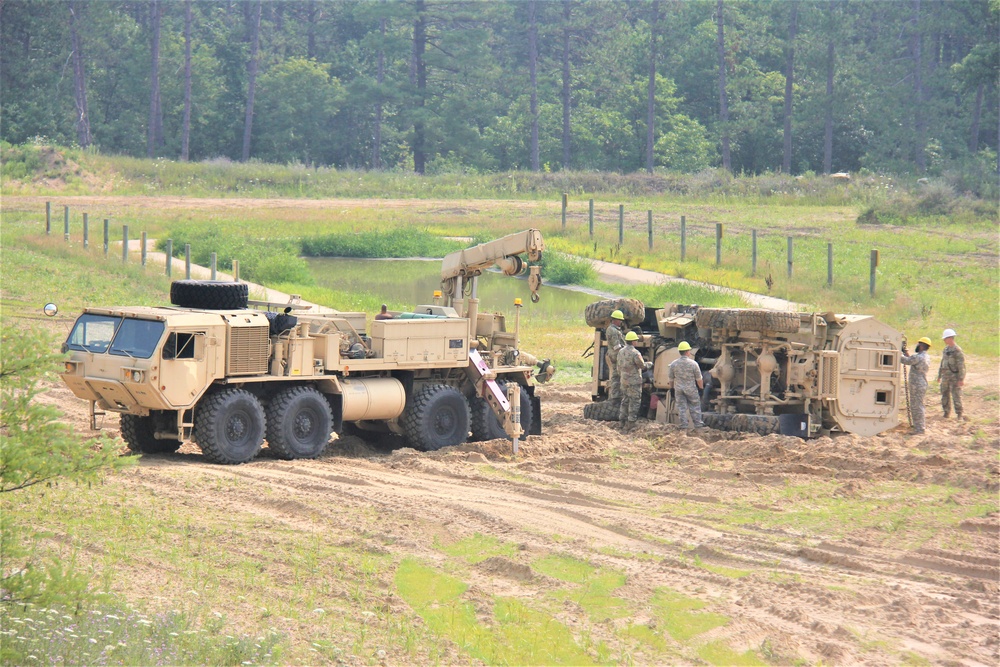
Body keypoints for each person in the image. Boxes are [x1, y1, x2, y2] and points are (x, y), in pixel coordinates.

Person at [617, 331, 651, 432]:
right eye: (636, 340)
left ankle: (622, 422)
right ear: (633, 342)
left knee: (625, 401)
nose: (637, 341)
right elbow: (642, 366)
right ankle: (631, 423)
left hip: (624, 380)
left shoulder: (621, 351)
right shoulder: (635, 353)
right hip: (634, 381)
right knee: (634, 401)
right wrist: (649, 364)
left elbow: (618, 366)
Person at [668, 341, 705, 429]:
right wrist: (701, 389)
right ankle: (698, 425)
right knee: (695, 406)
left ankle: (684, 425)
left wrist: (672, 389)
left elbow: (671, 379)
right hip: (691, 389)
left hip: (679, 389)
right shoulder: (693, 364)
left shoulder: (673, 364)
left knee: (681, 408)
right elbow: (699, 379)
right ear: (687, 351)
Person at [900, 336, 932, 435]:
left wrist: (898, 352)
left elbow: (905, 360)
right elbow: (911, 360)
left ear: (922, 346)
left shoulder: (918, 357)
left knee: (917, 407)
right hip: (921, 383)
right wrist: (905, 353)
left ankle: (919, 429)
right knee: (918, 405)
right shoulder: (925, 356)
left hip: (917, 385)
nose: (917, 346)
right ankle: (918, 426)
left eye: (919, 344)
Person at [938, 328, 966, 420]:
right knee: (944, 394)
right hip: (945, 376)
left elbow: (961, 365)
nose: (944, 340)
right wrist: (939, 375)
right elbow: (942, 363)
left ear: (950, 338)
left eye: (945, 338)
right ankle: (946, 412)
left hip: (954, 377)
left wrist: (961, 379)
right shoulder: (945, 350)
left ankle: (959, 414)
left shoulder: (957, 350)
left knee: (956, 395)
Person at [604, 310, 627, 406]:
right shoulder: (612, 330)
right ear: (616, 320)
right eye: (619, 320)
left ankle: (616, 396)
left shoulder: (615, 329)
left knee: (617, 376)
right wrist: (625, 352)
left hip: (617, 355)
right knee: (616, 377)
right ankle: (615, 396)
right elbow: (616, 345)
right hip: (616, 355)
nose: (621, 322)